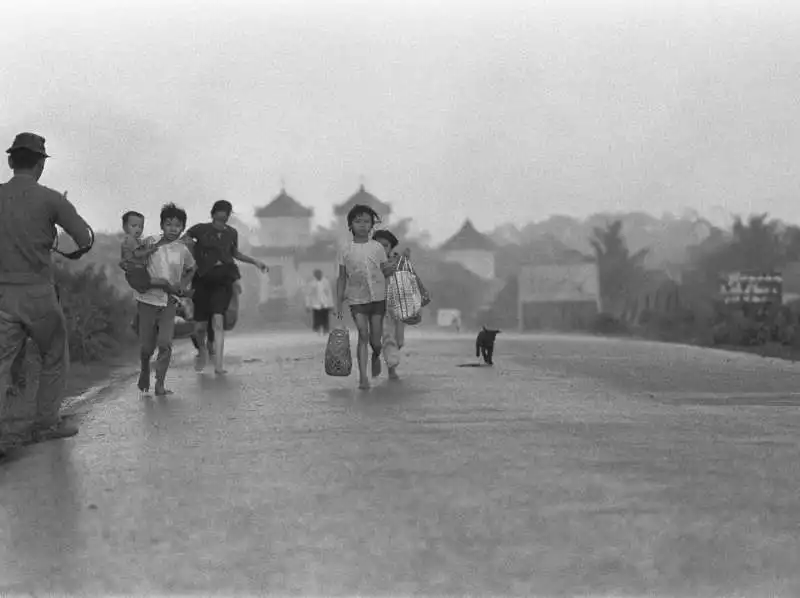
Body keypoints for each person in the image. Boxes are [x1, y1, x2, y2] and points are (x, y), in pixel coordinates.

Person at [0, 133, 93, 453]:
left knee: (1, 362)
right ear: (40, 164)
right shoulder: (52, 199)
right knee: (53, 353)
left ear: (11, 161)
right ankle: (45, 424)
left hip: (2, 294)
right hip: (38, 293)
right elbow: (85, 239)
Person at [183, 200, 267, 375]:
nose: (223, 218)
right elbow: (185, 239)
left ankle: (219, 366)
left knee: (218, 321)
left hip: (223, 279)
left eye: (226, 215)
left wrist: (255, 262)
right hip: (203, 279)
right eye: (220, 214)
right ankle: (202, 350)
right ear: (213, 213)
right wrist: (191, 249)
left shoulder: (231, 233)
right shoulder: (200, 229)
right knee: (199, 328)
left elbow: (235, 253)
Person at [134, 203, 195, 396]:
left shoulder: (182, 250)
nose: (173, 229)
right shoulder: (150, 241)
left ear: (182, 228)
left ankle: (160, 384)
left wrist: (183, 285)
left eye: (177, 225)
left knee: (165, 343)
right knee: (146, 347)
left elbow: (192, 268)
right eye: (169, 224)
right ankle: (145, 369)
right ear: (162, 225)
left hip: (169, 301)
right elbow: (135, 260)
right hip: (147, 300)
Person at [335, 204, 396, 389]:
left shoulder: (377, 247)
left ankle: (376, 354)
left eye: (366, 221)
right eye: (358, 221)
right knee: (363, 334)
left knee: (375, 341)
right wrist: (338, 302)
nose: (362, 225)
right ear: (350, 225)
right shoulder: (345, 250)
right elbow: (342, 277)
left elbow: (385, 271)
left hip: (378, 299)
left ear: (372, 226)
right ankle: (363, 377)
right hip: (356, 299)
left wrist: (393, 268)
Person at [373, 230, 405, 380]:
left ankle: (389, 362)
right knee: (385, 336)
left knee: (398, 339)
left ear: (390, 248)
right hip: (378, 306)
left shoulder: (399, 263)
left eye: (385, 245)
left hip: (396, 305)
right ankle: (390, 366)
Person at [118, 210, 173, 293]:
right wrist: (150, 250)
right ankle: (175, 292)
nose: (138, 229)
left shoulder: (135, 240)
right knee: (164, 283)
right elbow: (137, 254)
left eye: (140, 227)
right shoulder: (130, 239)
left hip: (136, 273)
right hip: (137, 273)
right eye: (134, 226)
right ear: (125, 227)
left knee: (149, 288)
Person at [305, 268, 334, 335]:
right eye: (317, 274)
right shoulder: (312, 284)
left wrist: (331, 304)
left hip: (325, 303)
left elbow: (329, 294)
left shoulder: (326, 282)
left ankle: (325, 329)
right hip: (316, 303)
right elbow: (308, 295)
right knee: (317, 317)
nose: (318, 275)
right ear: (315, 275)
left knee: (325, 317)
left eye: (319, 274)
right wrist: (307, 305)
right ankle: (317, 330)